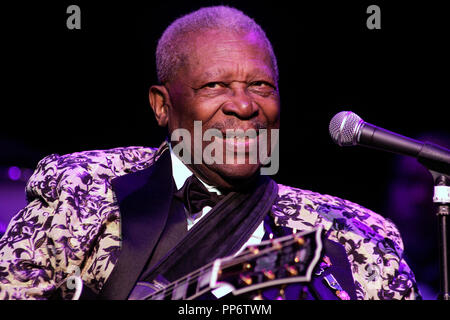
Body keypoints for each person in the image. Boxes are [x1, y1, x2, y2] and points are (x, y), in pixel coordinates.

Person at [0, 6, 420, 300]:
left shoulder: (357, 233)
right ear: (162, 105)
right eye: (215, 86)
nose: (243, 104)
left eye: (261, 86)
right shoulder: (82, 188)